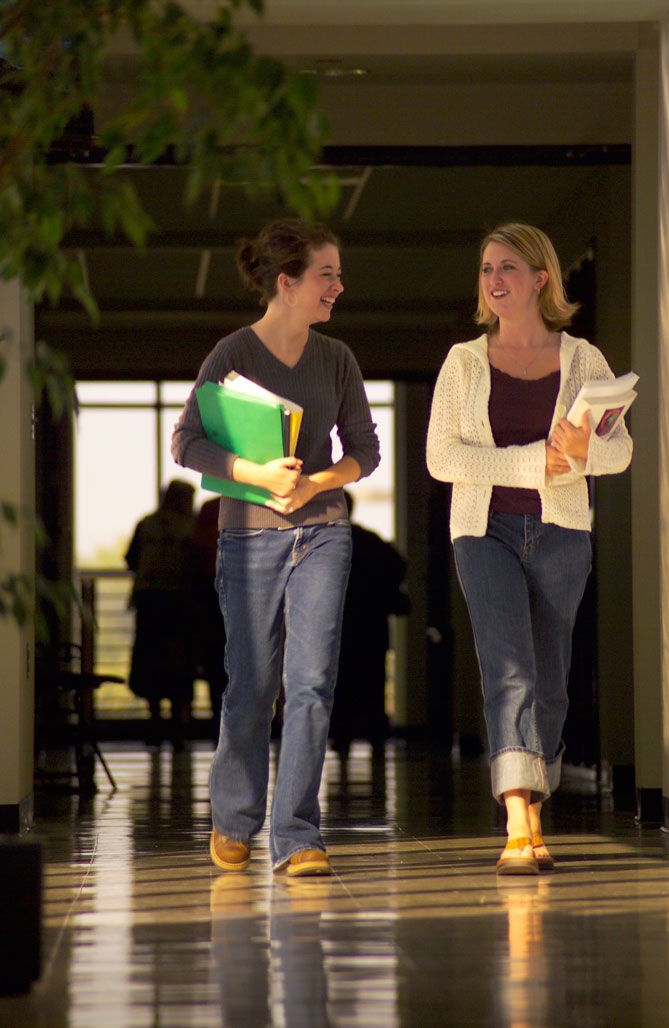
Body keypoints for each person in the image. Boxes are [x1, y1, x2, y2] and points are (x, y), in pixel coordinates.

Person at [171, 217, 380, 878]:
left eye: (338, 276)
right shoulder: (231, 353)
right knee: (253, 684)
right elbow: (186, 442)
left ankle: (297, 834)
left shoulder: (337, 358)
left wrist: (315, 481)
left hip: (322, 531)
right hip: (248, 537)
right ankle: (233, 818)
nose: (337, 287)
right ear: (287, 283)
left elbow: (365, 451)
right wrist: (257, 474)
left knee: (311, 683)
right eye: (326, 276)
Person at [426, 222, 632, 875]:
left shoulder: (583, 360)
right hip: (482, 530)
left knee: (549, 677)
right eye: (487, 269)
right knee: (508, 666)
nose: (494, 280)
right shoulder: (463, 362)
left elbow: (620, 452)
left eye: (507, 268)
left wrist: (585, 450)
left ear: (541, 278)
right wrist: (532, 462)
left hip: (562, 532)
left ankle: (533, 798)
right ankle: (519, 819)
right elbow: (441, 458)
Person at [329, 490, 409, 756]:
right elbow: (398, 565)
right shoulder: (371, 542)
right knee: (374, 682)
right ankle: (376, 736)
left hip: (340, 626)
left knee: (340, 683)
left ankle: (341, 736)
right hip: (371, 626)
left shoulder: (328, 545)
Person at [125, 479, 197, 750]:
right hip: (181, 603)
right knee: (180, 665)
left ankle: (154, 724)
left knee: (150, 662)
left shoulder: (147, 525)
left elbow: (131, 559)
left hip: (149, 599)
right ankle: (179, 730)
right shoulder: (192, 527)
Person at [190, 496, 227, 741]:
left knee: (215, 662)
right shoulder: (254, 504)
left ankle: (218, 722)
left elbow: (197, 550)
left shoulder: (209, 509)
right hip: (242, 590)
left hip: (208, 592)